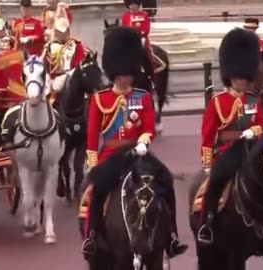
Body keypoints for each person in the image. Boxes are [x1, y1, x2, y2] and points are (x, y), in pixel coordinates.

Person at [81, 26, 188, 260]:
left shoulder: (143, 97)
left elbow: (149, 128)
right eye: (122, 73)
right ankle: (91, 236)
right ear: (113, 72)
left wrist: (143, 141)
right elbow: (91, 137)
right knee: (96, 191)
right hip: (110, 154)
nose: (126, 76)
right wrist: (92, 163)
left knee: (166, 182)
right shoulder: (101, 99)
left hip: (138, 153)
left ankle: (171, 236)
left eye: (129, 72)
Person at [197, 28, 263, 244]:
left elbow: (262, 124)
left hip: (253, 148)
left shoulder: (253, 100)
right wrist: (208, 163)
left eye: (245, 77)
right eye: (239, 77)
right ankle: (206, 223)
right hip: (228, 151)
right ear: (230, 77)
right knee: (216, 181)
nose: (243, 81)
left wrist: (252, 131)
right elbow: (208, 135)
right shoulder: (217, 102)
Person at [43, 4, 84, 90]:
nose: (62, 34)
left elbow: (79, 64)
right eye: (59, 32)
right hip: (54, 79)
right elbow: (46, 66)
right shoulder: (50, 46)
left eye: (64, 32)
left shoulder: (76, 45)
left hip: (72, 78)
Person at [121, 0, 155, 76]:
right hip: (129, 40)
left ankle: (150, 75)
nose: (133, 6)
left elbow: (146, 28)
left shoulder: (144, 15)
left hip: (141, 39)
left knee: (148, 55)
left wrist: (141, 33)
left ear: (138, 5)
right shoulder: (125, 16)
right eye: (131, 4)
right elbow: (123, 28)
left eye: (134, 4)